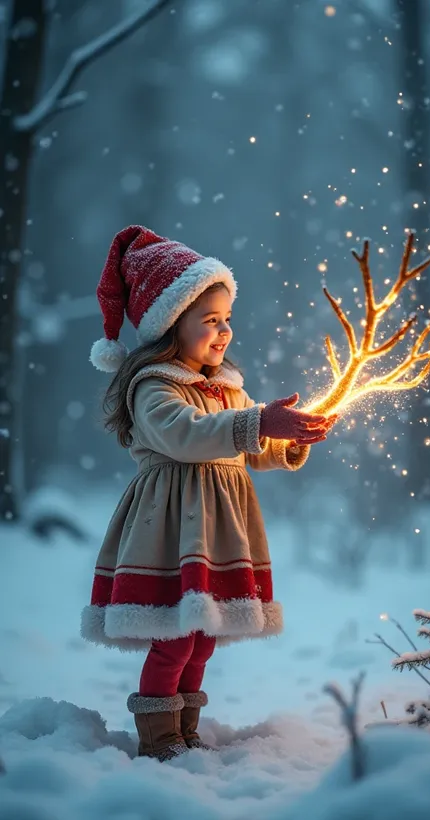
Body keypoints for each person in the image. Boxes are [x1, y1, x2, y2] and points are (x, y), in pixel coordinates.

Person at [81, 225, 337, 763]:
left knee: (203, 636)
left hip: (216, 528)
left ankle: (186, 728)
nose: (224, 332)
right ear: (172, 325)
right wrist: (257, 419)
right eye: (210, 320)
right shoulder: (154, 386)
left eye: (227, 320)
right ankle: (160, 738)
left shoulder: (228, 387)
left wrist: (285, 438)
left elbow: (243, 447)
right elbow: (188, 434)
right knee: (174, 635)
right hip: (171, 527)